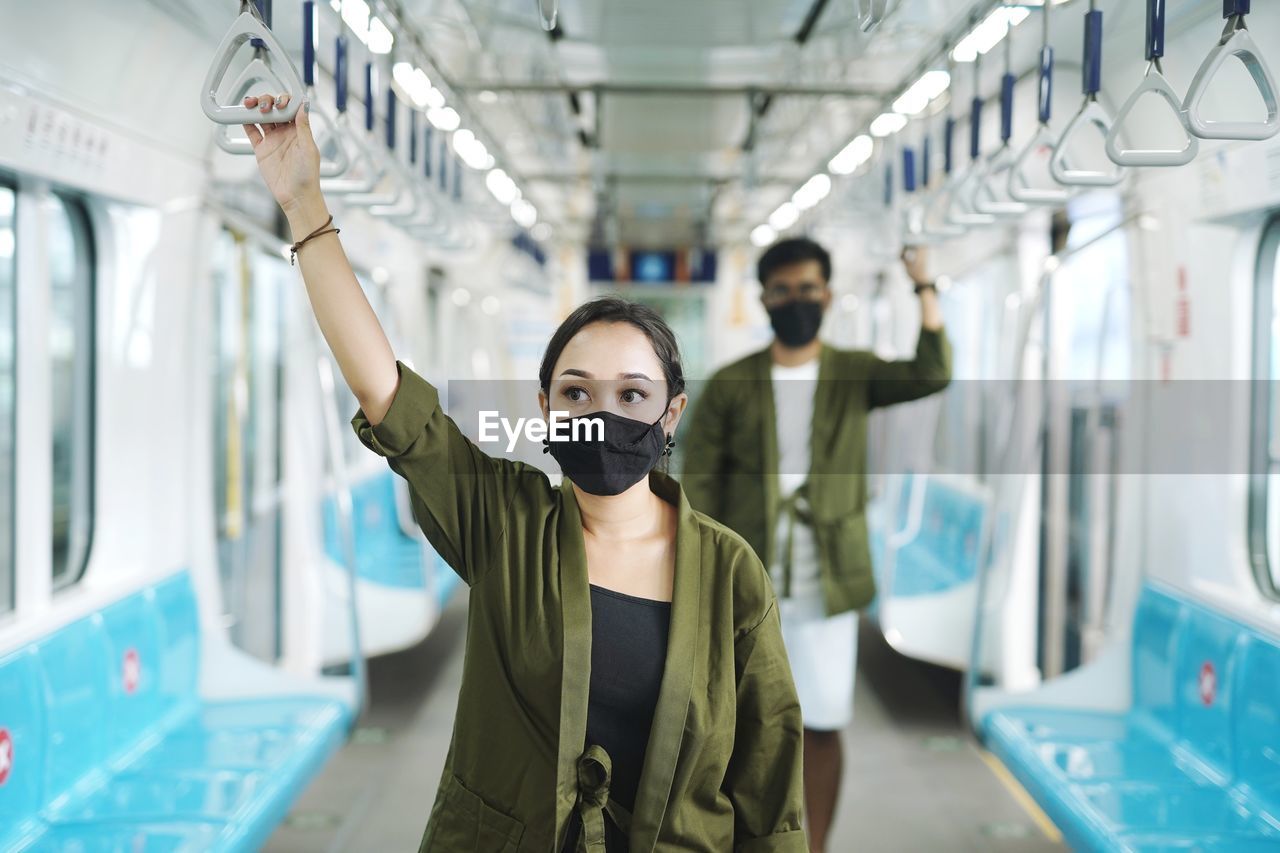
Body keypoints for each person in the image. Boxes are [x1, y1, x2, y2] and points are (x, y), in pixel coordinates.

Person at [237, 92, 806, 853]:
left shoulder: (732, 574)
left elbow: (769, 791)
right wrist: (303, 202)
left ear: (671, 413)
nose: (603, 414)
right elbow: (387, 395)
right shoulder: (506, 522)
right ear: (546, 408)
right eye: (578, 392)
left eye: (632, 395)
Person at [680, 238, 951, 853]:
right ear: (764, 299)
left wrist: (923, 285)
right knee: (739, 725)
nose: (796, 301)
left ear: (826, 294)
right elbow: (700, 482)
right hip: (747, 581)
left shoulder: (854, 372)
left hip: (829, 575)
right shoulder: (731, 384)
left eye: (808, 289)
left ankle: (813, 845)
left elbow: (931, 372)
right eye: (783, 291)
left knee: (821, 720)